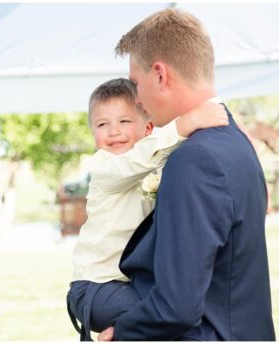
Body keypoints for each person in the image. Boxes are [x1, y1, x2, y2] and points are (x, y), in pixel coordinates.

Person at [101, 8, 276, 341]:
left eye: (136, 84)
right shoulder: (235, 140)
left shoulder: (195, 159)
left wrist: (119, 332)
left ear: (160, 75)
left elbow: (177, 306)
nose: (136, 100)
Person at [65, 78, 226, 340]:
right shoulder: (104, 167)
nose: (114, 131)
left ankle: (121, 333)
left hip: (130, 285)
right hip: (96, 287)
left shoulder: (154, 166)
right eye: (102, 124)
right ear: (93, 134)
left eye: (124, 122)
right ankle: (121, 334)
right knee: (166, 317)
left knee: (172, 310)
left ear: (148, 127)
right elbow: (136, 162)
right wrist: (185, 124)